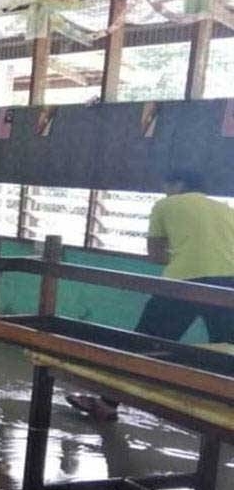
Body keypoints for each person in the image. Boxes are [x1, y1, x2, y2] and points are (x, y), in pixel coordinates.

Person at [67, 169, 234, 421]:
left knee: (143, 344)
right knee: (228, 350)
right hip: (228, 287)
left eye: (166, 186)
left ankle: (107, 404)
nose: (165, 191)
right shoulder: (226, 209)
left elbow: (155, 254)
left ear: (177, 184)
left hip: (183, 283)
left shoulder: (165, 205)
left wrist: (181, 255)